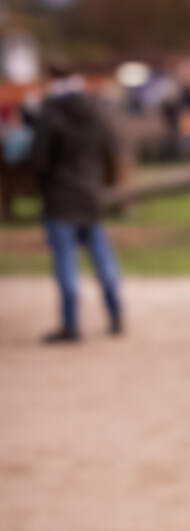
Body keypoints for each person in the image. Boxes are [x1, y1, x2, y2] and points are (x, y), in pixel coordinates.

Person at [31, 60, 123, 342]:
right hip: (90, 195)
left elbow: (41, 161)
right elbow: (110, 151)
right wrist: (101, 184)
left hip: (60, 198)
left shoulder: (50, 113)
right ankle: (115, 315)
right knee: (103, 261)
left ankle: (71, 325)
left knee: (65, 263)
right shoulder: (94, 111)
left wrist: (42, 186)